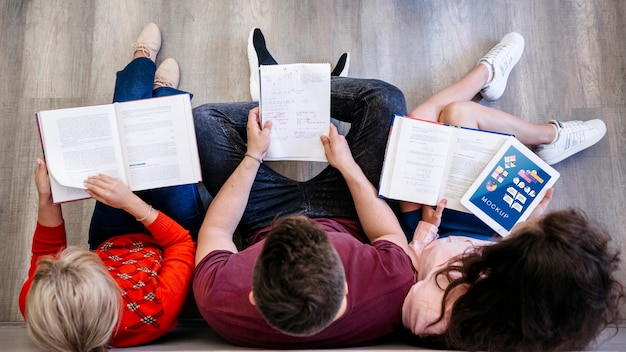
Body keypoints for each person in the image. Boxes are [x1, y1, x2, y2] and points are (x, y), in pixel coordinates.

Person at [399, 32, 625, 351]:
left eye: (532, 234)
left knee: (420, 126)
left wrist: (427, 227)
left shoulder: (435, 309)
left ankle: (488, 76)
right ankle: (547, 136)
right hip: (481, 234)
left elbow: (403, 276)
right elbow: (507, 248)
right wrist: (526, 221)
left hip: (423, 236)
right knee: (458, 115)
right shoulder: (526, 292)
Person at [191, 28, 414, 348]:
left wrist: (253, 155)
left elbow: (217, 230)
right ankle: (312, 96)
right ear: (347, 289)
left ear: (252, 295)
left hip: (264, 215)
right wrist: (347, 166)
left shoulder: (219, 302)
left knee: (203, 122)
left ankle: (276, 92)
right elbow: (387, 235)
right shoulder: (393, 287)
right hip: (348, 210)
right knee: (387, 99)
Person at [19, 23, 204, 351]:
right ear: (112, 296)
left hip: (112, 239)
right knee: (164, 146)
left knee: (120, 131)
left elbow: (44, 250)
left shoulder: (40, 301)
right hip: (171, 238)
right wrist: (132, 204)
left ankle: (144, 63)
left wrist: (47, 198)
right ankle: (162, 95)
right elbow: (182, 245)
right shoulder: (155, 312)